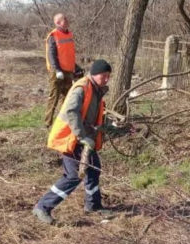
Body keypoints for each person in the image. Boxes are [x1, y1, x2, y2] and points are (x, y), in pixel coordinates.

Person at [33, 59, 124, 224]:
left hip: (84, 140)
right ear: (94, 74)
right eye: (104, 75)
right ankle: (42, 207)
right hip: (71, 138)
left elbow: (96, 119)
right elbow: (71, 112)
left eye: (108, 76)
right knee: (73, 176)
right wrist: (82, 137)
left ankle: (93, 205)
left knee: (94, 170)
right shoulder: (81, 89)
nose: (106, 79)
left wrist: (119, 128)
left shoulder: (96, 91)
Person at [44, 12, 82, 127]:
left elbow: (68, 54)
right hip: (57, 72)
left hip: (68, 71)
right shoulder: (53, 36)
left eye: (66, 19)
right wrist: (57, 70)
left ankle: (63, 122)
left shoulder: (69, 34)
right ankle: (47, 123)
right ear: (57, 22)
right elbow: (51, 55)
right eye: (64, 19)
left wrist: (76, 67)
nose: (67, 21)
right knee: (54, 96)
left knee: (67, 98)